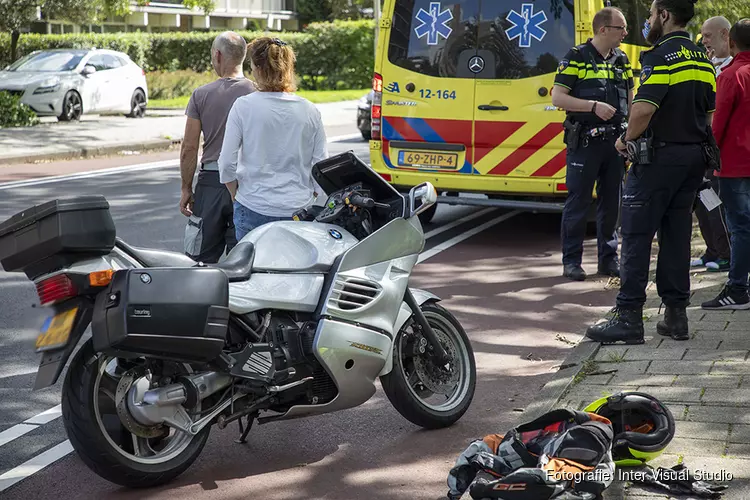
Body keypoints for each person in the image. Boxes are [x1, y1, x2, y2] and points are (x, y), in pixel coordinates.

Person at [586, 0, 716, 343]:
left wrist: (624, 139)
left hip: (658, 159)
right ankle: (676, 317)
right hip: (693, 158)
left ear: (665, 15)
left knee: (636, 234)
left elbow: (643, 109)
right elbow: (710, 114)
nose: (647, 20)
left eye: (651, 13)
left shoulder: (660, 55)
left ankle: (628, 316)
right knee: (676, 237)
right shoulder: (702, 57)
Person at [552, 7, 635, 282]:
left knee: (612, 203)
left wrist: (632, 133)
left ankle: (608, 260)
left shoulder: (622, 59)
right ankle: (571, 262)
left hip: (616, 143)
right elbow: (558, 98)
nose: (625, 33)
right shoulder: (576, 57)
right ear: (603, 30)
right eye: (620, 28)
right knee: (579, 202)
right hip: (586, 141)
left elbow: (631, 98)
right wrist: (593, 106)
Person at [218, 37, 327, 241]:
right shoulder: (310, 110)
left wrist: (236, 194)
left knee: (252, 269)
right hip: (297, 208)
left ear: (257, 69)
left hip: (253, 205)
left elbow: (226, 164)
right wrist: (310, 195)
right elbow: (320, 165)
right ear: (288, 69)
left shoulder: (243, 107)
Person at [180, 31, 257, 263]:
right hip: (247, 184)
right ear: (243, 57)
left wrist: (186, 188)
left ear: (217, 55)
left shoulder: (201, 95)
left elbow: (189, 148)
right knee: (243, 258)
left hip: (211, 183)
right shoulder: (258, 93)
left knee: (199, 258)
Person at [702, 19, 750, 310]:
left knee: (740, 227)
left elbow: (717, 125)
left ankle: (737, 288)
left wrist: (706, 155)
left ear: (731, 42)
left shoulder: (732, 75)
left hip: (734, 165)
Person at [690, 16, 732, 272]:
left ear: (725, 35)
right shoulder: (704, 65)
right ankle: (712, 250)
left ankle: (726, 253)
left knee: (717, 201)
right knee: (701, 200)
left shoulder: (733, 69)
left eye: (708, 35)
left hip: (720, 149)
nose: (704, 41)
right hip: (699, 145)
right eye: (703, 36)